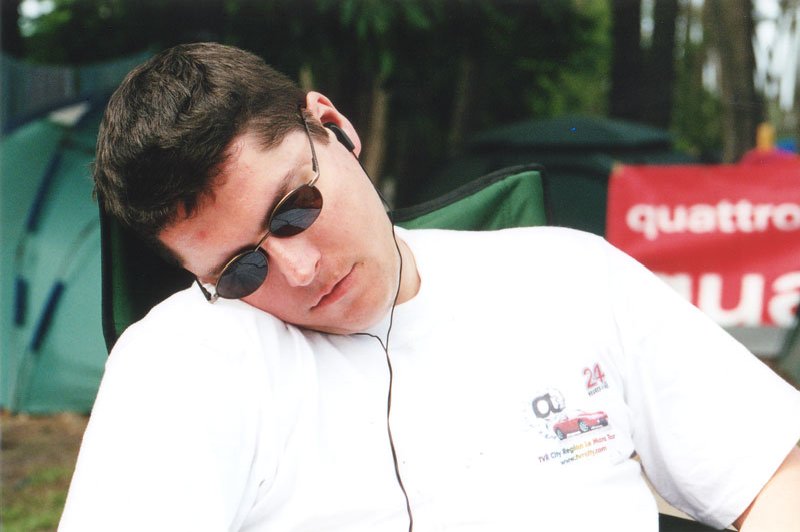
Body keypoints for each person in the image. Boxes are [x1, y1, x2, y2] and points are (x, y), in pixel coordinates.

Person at [59, 42, 800, 532]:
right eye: (239, 270)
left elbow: (775, 471)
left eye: (293, 210)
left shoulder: (569, 277)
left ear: (333, 127)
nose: (300, 270)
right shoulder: (182, 362)